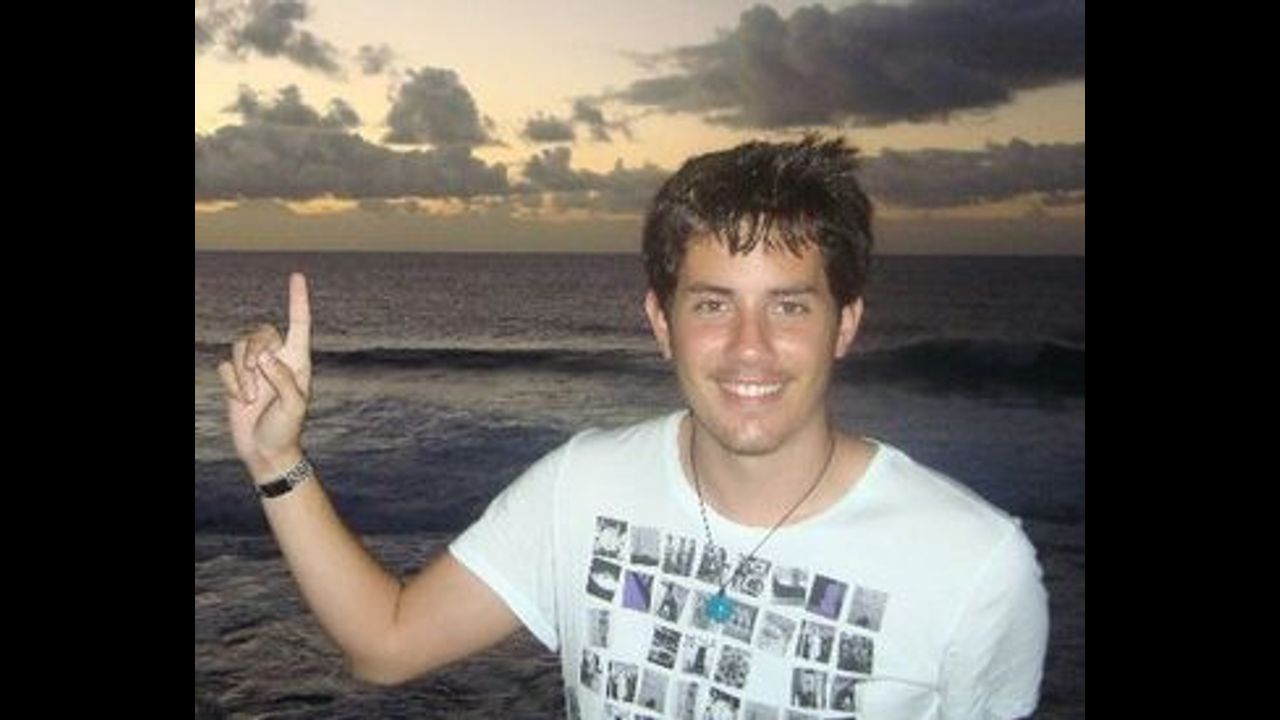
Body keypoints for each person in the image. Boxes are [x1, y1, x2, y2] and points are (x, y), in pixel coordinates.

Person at [217, 136, 1049, 719]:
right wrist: (275, 457)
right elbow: (386, 643)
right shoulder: (582, 487)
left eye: (790, 306)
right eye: (713, 305)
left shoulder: (973, 564)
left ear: (846, 324)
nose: (750, 347)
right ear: (661, 323)